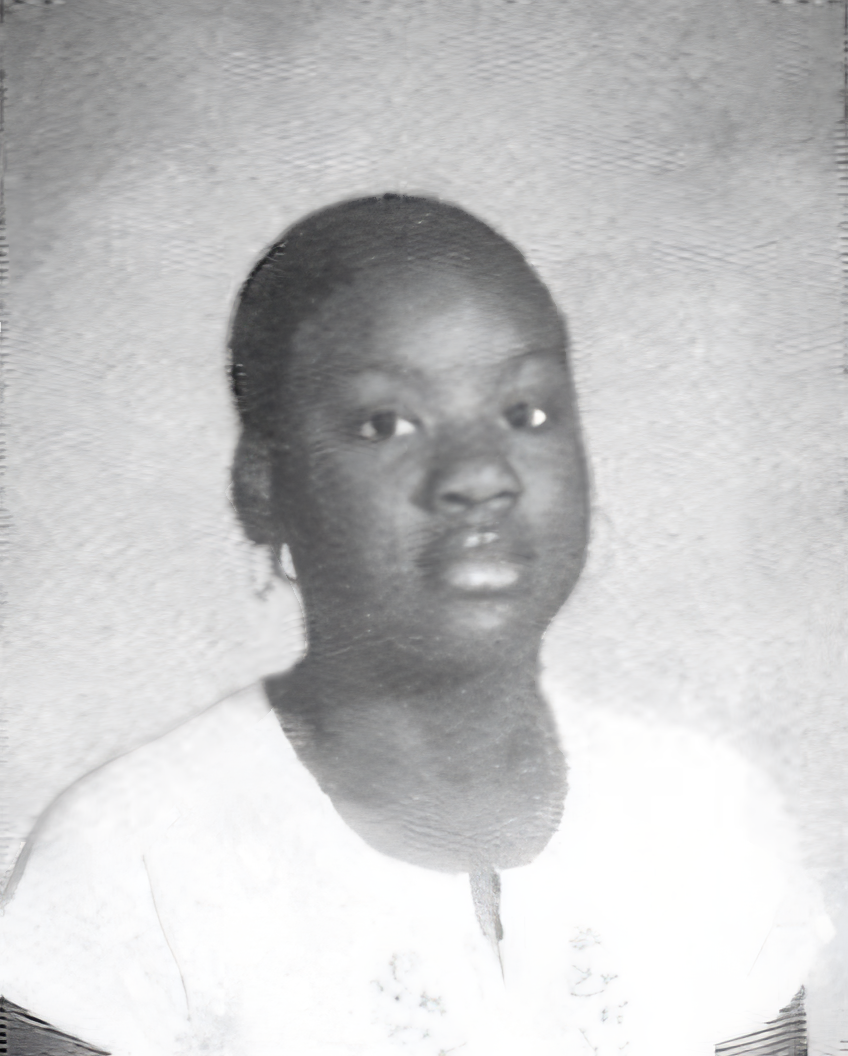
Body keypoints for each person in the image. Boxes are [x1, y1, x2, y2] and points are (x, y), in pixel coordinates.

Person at [0, 195, 833, 1056]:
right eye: (384, 423)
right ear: (262, 485)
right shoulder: (129, 861)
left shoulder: (709, 818)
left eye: (528, 412)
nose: (479, 474)